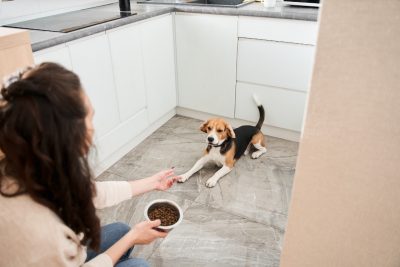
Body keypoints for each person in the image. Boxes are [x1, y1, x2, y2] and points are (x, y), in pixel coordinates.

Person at [0, 62, 179, 267]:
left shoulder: (28, 163)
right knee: (139, 264)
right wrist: (132, 239)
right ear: (67, 135)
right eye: (90, 118)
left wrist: (152, 182)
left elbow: (87, 193)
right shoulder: (45, 238)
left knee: (121, 229)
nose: (92, 129)